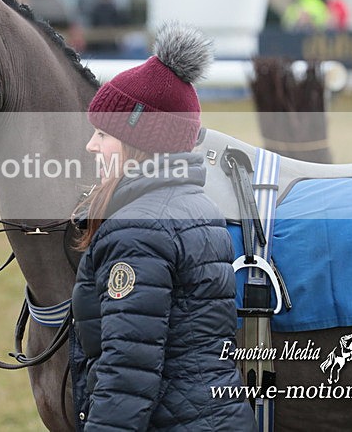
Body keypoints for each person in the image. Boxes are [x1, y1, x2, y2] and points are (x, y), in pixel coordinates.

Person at [70, 22, 255, 431]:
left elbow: (127, 376)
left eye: (103, 133)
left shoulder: (138, 230)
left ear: (140, 142)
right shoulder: (198, 207)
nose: (92, 146)